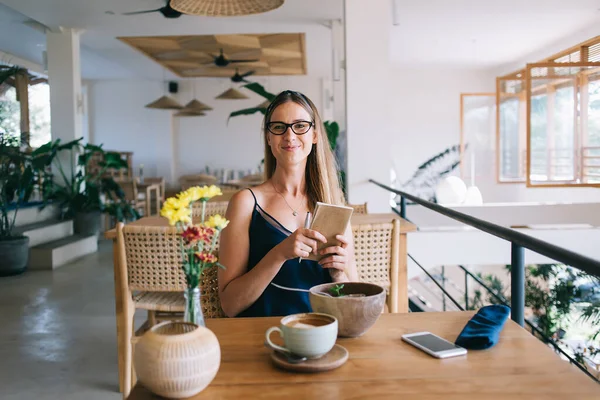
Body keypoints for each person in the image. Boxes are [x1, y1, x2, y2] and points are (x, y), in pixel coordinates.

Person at [218, 90, 358, 317]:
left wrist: (338, 276)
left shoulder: (333, 206)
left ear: (314, 134)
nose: (290, 136)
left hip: (322, 333)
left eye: (300, 125)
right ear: (268, 137)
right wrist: (279, 254)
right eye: (279, 127)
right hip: (264, 336)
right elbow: (230, 305)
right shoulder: (246, 203)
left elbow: (353, 305)